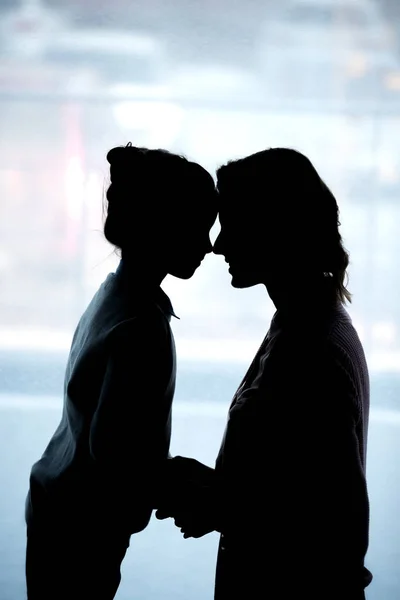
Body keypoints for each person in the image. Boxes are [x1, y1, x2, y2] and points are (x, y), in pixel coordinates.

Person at [156, 148, 373, 600]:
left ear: (274, 228)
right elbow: (298, 485)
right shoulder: (312, 323)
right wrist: (215, 492)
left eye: (232, 223)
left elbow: (327, 521)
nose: (217, 244)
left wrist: (215, 502)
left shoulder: (311, 350)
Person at [25, 143, 218, 600]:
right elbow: (116, 457)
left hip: (57, 511)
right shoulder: (143, 327)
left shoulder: (113, 298)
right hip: (83, 533)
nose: (209, 245)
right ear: (163, 226)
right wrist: (183, 487)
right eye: (199, 227)